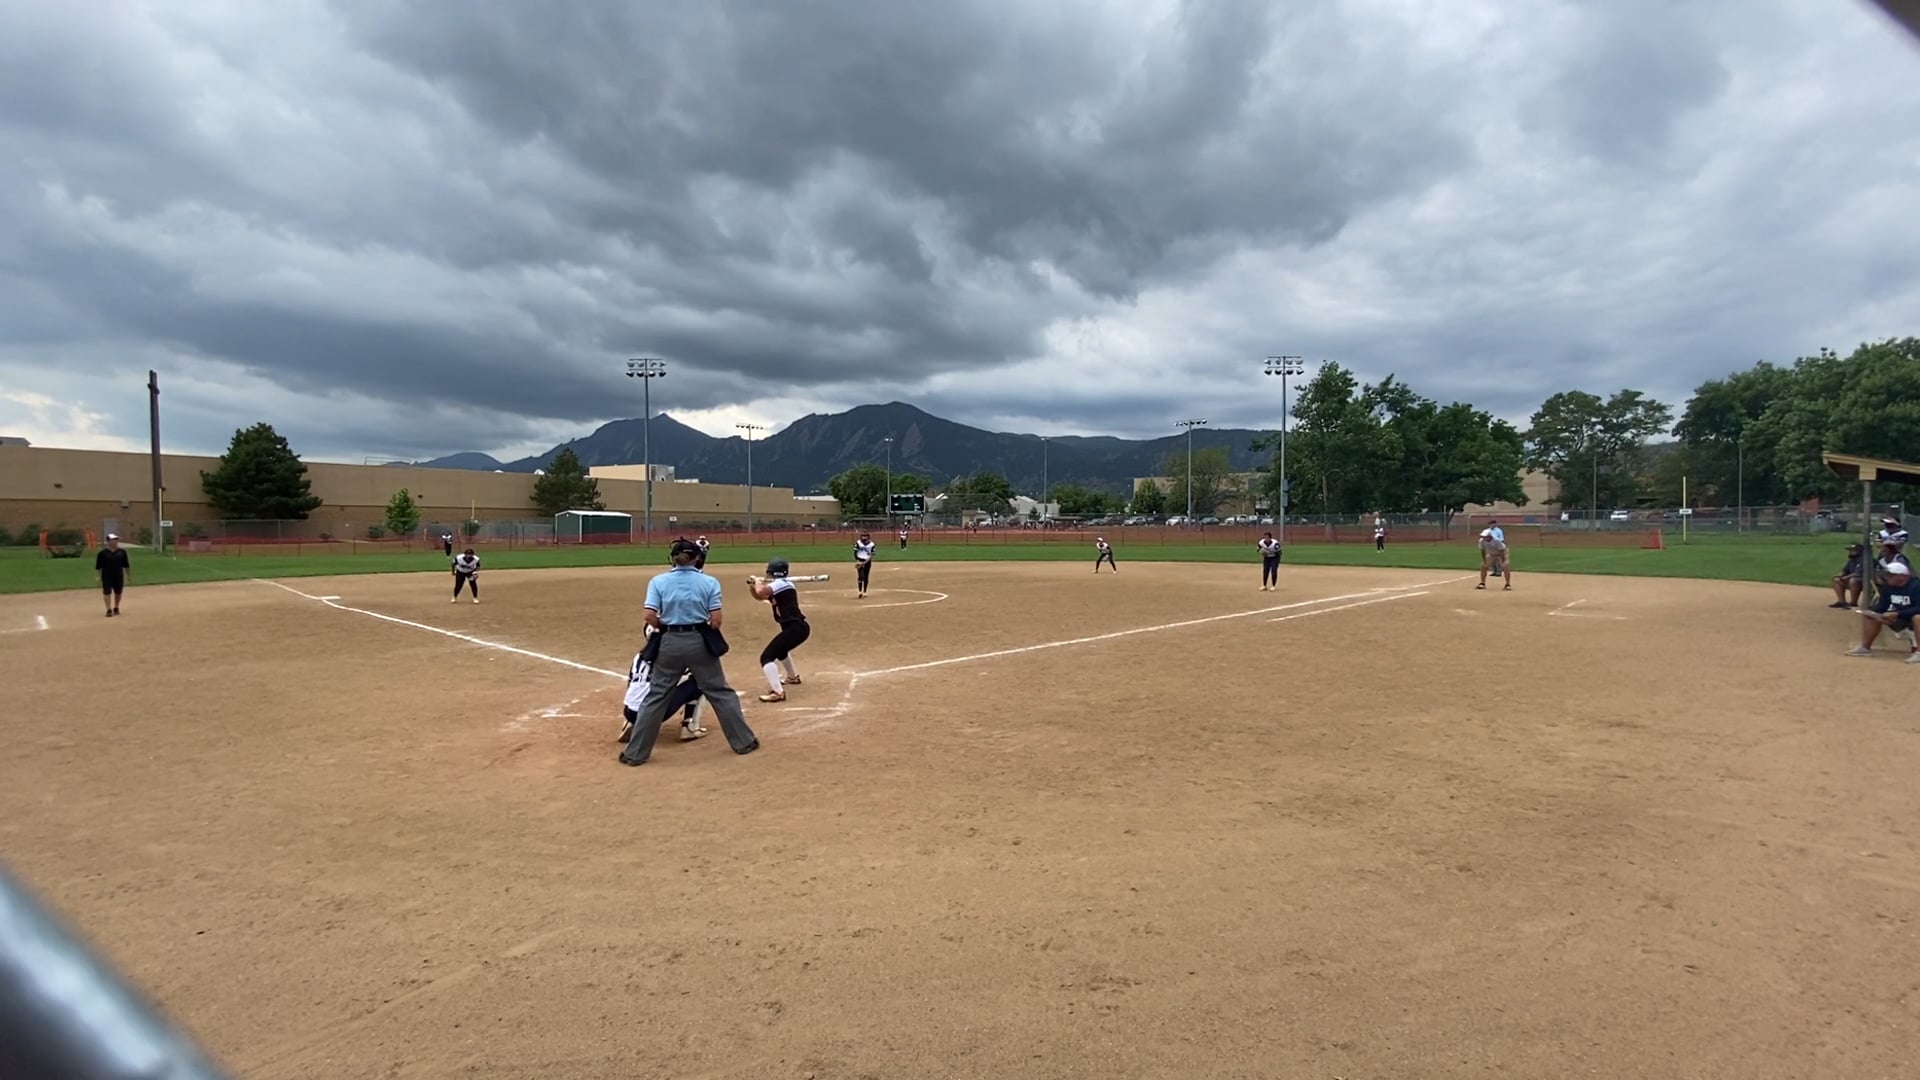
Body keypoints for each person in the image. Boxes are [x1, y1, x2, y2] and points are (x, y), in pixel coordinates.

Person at [619, 537, 758, 766]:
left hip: (669, 642)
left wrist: (665, 625)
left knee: (656, 696)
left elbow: (649, 616)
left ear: (673, 559)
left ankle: (635, 754)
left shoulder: (658, 581)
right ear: (696, 558)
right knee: (720, 692)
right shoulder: (709, 582)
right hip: (698, 640)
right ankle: (743, 742)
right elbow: (716, 621)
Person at [617, 625, 708, 743]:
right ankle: (689, 726)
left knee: (640, 682)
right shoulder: (673, 655)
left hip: (629, 712)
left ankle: (631, 723)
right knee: (700, 680)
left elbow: (630, 683)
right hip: (655, 712)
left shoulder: (639, 656)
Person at [747, 559, 810, 702]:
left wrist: (758, 582)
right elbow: (760, 596)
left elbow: (761, 590)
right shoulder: (780, 585)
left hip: (796, 628)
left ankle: (777, 692)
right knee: (781, 651)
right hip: (796, 628)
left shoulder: (781, 584)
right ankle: (793, 677)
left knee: (766, 657)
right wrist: (752, 586)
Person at [1847, 560, 1919, 662]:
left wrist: (1897, 614)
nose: (1886, 577)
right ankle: (1865, 648)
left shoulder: (1916, 586)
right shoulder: (1888, 587)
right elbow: (1883, 606)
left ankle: (1919, 653)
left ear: (1902, 576)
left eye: (1890, 575)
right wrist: (1873, 612)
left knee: (1917, 618)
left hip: (1913, 618)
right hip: (1903, 618)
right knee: (1872, 617)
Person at [95, 533, 131, 617]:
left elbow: (126, 565)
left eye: (116, 539)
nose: (116, 541)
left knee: (118, 593)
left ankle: (116, 607)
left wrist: (128, 575)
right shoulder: (102, 553)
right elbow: (98, 567)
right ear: (108, 541)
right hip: (106, 576)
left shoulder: (122, 552)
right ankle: (108, 609)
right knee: (107, 592)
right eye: (113, 540)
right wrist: (98, 577)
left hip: (119, 575)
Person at [1831, 543, 1866, 609]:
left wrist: (1846, 577)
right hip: (1853, 580)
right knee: (1836, 580)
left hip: (1865, 582)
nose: (1850, 552)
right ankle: (1841, 602)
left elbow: (1858, 573)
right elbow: (1845, 570)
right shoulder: (1852, 560)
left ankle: (1853, 603)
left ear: (1859, 551)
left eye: (1852, 550)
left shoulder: (1865, 560)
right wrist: (1840, 575)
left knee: (1853, 580)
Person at [1477, 523, 1510, 591]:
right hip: (1491, 554)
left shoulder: (1497, 541)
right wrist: (1484, 561)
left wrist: (1503, 561)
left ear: (1489, 536)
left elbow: (1501, 552)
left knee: (1505, 566)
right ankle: (1482, 583)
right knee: (1483, 566)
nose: (1483, 538)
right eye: (1483, 536)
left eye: (1485, 536)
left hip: (1501, 554)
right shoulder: (1481, 541)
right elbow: (1483, 551)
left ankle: (1507, 585)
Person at [854, 531, 876, 599]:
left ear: (868, 537)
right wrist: (857, 561)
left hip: (867, 561)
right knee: (861, 576)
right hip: (860, 560)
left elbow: (872, 555)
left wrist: (865, 562)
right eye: (863, 536)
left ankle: (865, 591)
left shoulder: (872, 544)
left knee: (866, 577)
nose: (863, 537)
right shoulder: (858, 543)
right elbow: (855, 552)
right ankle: (860, 591)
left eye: (865, 536)